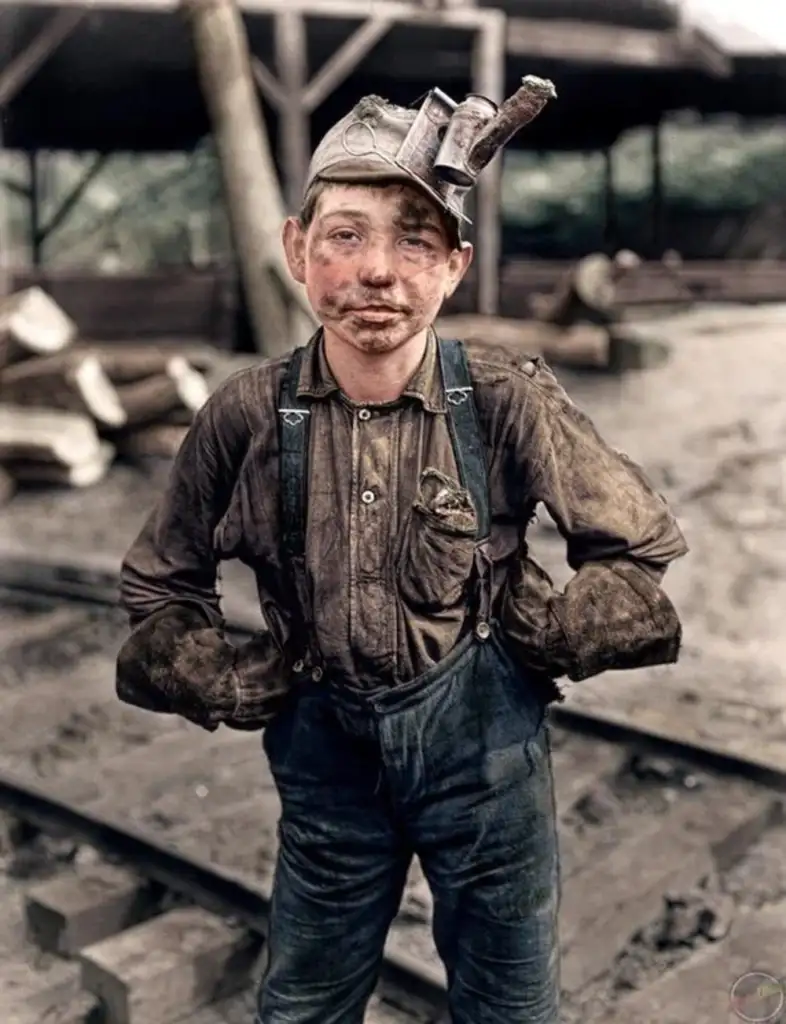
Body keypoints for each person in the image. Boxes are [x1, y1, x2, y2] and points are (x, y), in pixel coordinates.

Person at [115, 84, 689, 1024]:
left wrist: (562, 628)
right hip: (326, 765)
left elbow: (638, 549)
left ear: (455, 264)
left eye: (415, 240)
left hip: (486, 762)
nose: (378, 271)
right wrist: (208, 672)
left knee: (510, 1005)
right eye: (345, 236)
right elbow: (159, 586)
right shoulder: (245, 416)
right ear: (297, 248)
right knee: (303, 1004)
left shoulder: (506, 398)